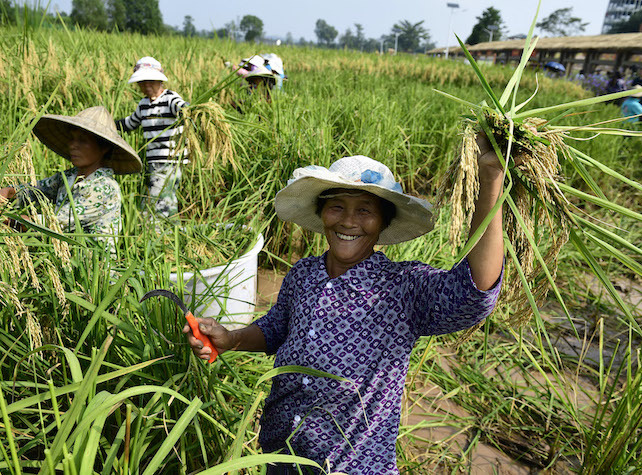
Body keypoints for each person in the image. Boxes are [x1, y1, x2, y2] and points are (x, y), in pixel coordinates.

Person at [184, 134, 508, 474]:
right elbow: (277, 327)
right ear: (322, 212)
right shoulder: (303, 273)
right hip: (280, 452)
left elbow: (473, 293)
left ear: (383, 223)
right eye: (337, 206)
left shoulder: (403, 287)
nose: (349, 221)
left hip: (351, 465)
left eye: (365, 210)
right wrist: (229, 339)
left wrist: (491, 181)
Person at [0, 106, 141, 254]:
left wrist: (9, 219)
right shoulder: (68, 177)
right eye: (72, 139)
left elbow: (56, 223)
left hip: (95, 269)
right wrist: (9, 192)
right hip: (64, 259)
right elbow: (36, 190)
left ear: (104, 147)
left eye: (82, 140)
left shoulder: (104, 188)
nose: (73, 145)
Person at [115, 56, 188, 220]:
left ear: (160, 81)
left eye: (151, 81)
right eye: (142, 82)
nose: (146, 86)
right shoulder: (143, 105)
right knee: (157, 199)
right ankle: (162, 230)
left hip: (170, 161)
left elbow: (183, 108)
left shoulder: (170, 98)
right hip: (153, 161)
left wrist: (192, 110)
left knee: (162, 199)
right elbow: (129, 123)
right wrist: (107, 125)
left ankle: (165, 233)